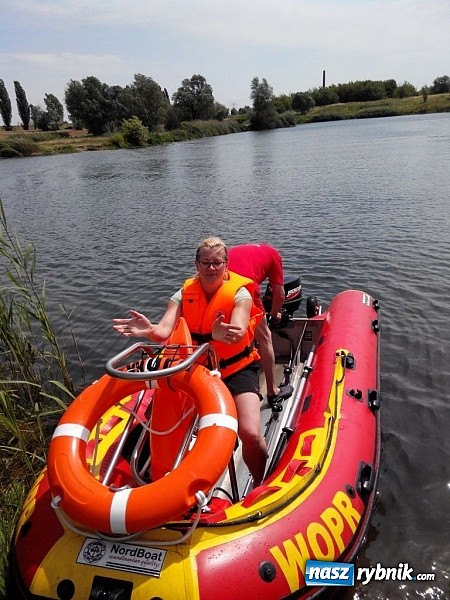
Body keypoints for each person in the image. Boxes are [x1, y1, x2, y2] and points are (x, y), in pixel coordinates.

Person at [112, 237, 268, 486]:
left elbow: (239, 329)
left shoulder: (240, 293)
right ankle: (154, 475)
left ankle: (260, 484)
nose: (211, 268)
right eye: (206, 262)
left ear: (226, 265)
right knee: (158, 421)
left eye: (217, 263)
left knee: (250, 432)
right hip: (195, 369)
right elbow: (164, 330)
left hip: (236, 369)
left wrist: (223, 333)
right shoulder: (184, 294)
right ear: (197, 264)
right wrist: (149, 330)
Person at [228, 243, 290, 405]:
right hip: (245, 290)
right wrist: (274, 313)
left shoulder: (236, 250)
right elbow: (279, 294)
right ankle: (272, 390)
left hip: (221, 287)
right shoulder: (274, 255)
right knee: (265, 338)